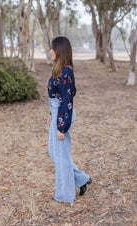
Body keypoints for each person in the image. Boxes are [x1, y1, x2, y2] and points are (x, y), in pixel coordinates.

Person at [47, 36, 92, 204]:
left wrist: (61, 127)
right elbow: (57, 96)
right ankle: (81, 179)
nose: (50, 51)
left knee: (61, 156)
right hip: (57, 113)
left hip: (63, 115)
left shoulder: (66, 73)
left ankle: (65, 195)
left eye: (53, 48)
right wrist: (51, 114)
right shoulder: (59, 70)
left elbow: (66, 102)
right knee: (55, 153)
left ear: (60, 51)